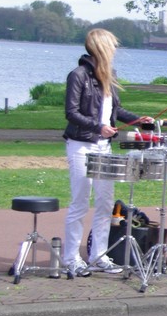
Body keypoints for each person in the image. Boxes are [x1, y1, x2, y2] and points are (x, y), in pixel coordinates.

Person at [62, 28, 152, 277]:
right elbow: (71, 112)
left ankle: (98, 255)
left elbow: (115, 111)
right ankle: (71, 258)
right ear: (101, 47)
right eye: (112, 46)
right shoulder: (78, 75)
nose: (114, 50)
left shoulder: (109, 75)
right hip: (81, 145)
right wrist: (97, 127)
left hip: (104, 146)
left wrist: (137, 120)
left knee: (105, 203)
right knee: (80, 202)